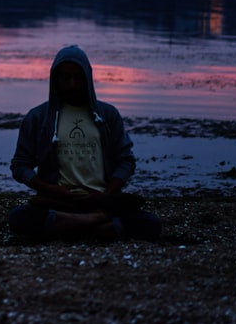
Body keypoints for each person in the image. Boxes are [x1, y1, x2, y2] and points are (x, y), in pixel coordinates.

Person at [8, 45, 161, 241]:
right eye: (65, 77)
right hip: (57, 202)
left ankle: (70, 226)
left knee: (151, 224)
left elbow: (126, 161)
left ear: (87, 78)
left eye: (78, 77)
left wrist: (106, 193)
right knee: (18, 218)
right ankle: (99, 225)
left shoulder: (108, 115)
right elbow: (20, 165)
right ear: (55, 79)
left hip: (101, 201)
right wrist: (51, 189)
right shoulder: (38, 117)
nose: (72, 84)